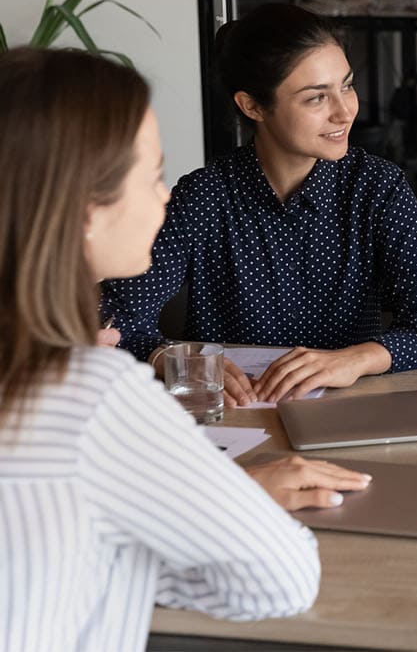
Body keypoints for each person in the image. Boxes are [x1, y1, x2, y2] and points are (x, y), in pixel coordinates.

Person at [0, 48, 372, 649]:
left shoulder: (373, 185)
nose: (166, 195)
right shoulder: (88, 396)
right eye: (151, 175)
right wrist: (226, 497)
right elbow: (279, 581)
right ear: (84, 210)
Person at [101, 4, 417, 406]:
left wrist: (355, 360)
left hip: (350, 409)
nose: (345, 111)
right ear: (252, 106)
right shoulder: (203, 196)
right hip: (233, 414)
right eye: (316, 99)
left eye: (347, 85)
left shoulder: (378, 188)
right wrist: (171, 358)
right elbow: (117, 322)